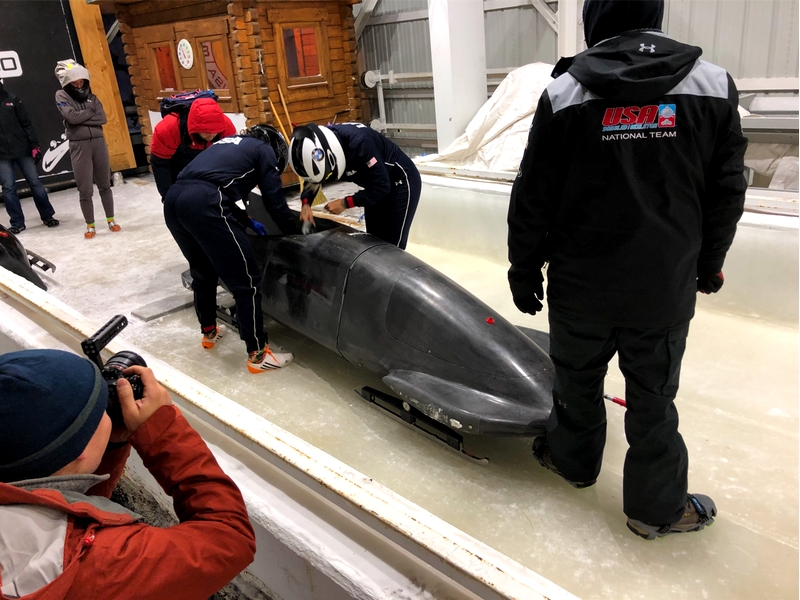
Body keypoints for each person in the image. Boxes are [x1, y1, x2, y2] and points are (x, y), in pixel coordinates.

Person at [507, 0, 747, 540]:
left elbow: (533, 194)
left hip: (580, 287)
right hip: (661, 287)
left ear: (596, 19)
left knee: (575, 384)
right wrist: (710, 263)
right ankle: (654, 510)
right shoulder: (711, 85)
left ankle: (573, 464)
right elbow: (726, 189)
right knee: (653, 399)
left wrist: (523, 268)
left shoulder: (565, 91)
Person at [0, 349, 256, 599]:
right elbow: (228, 539)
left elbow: (68, 504)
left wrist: (111, 443)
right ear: (80, 448)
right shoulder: (101, 560)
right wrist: (162, 429)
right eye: (100, 409)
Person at [163, 123, 297, 372]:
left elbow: (207, 184)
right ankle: (258, 355)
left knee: (202, 272)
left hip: (173, 200)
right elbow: (274, 200)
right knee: (247, 281)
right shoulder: (263, 150)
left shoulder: (230, 143)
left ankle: (209, 333)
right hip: (205, 202)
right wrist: (295, 232)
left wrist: (245, 220)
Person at [288, 122, 421, 249]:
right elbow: (312, 179)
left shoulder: (360, 143)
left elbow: (382, 186)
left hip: (400, 181)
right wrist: (306, 203)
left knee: (392, 245)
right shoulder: (319, 146)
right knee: (373, 239)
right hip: (373, 185)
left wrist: (345, 203)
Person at [54, 60, 120, 239]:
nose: (78, 85)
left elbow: (103, 118)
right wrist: (89, 114)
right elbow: (71, 117)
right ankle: (90, 226)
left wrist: (80, 117)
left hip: (98, 142)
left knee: (105, 184)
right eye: (74, 83)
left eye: (81, 82)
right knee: (85, 189)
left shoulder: (93, 97)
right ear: (68, 83)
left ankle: (111, 220)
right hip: (79, 145)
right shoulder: (61, 95)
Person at [0, 79, 59, 234]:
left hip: (22, 149)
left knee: (35, 182)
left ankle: (48, 216)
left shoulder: (11, 98)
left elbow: (26, 123)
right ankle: (17, 222)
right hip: (1, 155)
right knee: (8, 188)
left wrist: (35, 146)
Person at [149, 96, 237, 199]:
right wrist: (168, 197)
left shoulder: (226, 126)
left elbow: (233, 160)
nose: (211, 135)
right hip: (178, 166)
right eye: (206, 132)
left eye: (215, 131)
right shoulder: (168, 129)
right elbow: (160, 165)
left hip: (208, 165)